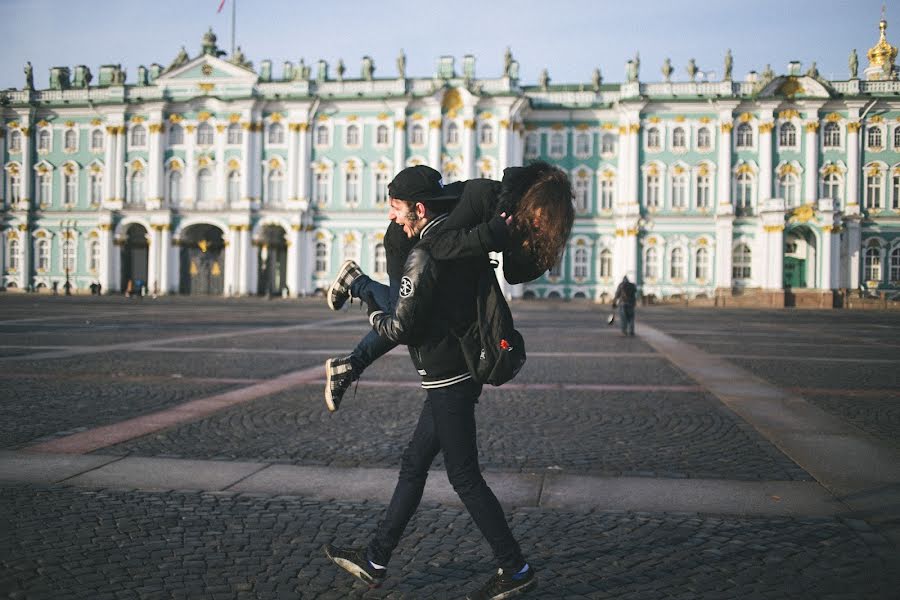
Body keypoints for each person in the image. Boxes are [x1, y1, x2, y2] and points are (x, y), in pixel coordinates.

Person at [323, 169, 537, 599]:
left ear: (419, 209)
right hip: (455, 371)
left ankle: (515, 569)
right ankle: (375, 559)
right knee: (414, 464)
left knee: (464, 476)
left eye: (397, 210)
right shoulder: (458, 239)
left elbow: (402, 323)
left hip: (448, 377)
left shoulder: (429, 252)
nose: (393, 219)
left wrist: (372, 313)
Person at [324, 162, 574, 411]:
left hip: (437, 255)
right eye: (544, 217)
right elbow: (439, 244)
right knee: (402, 318)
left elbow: (512, 273)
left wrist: (537, 250)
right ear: (533, 200)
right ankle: (357, 284)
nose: (543, 225)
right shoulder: (484, 196)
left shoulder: (517, 220)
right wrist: (490, 236)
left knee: (414, 320)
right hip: (407, 240)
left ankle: (349, 362)